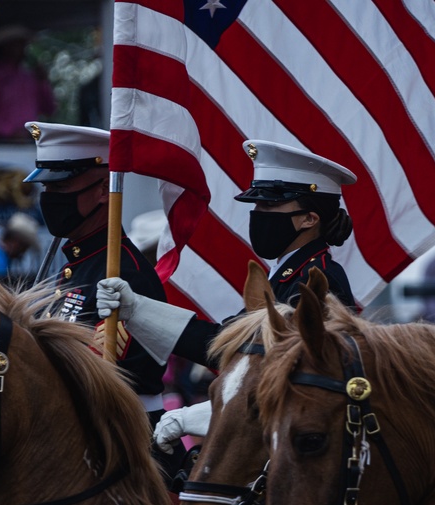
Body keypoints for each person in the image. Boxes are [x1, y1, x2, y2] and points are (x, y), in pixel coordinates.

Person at [95, 139, 357, 372]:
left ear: (310, 219)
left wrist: (140, 309)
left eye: (269, 205)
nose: (257, 212)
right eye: (256, 204)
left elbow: (278, 366)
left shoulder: (319, 280)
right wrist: (138, 309)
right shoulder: (289, 272)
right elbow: (228, 341)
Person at [22, 121, 176, 473]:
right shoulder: (76, 267)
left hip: (123, 447)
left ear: (105, 189)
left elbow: (108, 374)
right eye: (47, 186)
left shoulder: (123, 271)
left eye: (62, 185)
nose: (50, 197)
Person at [0, 26, 56, 142]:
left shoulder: (29, 77)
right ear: (5, 47)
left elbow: (49, 109)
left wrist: (43, 81)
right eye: (18, 44)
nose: (23, 49)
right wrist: (9, 131)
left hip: (31, 139)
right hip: (2, 143)